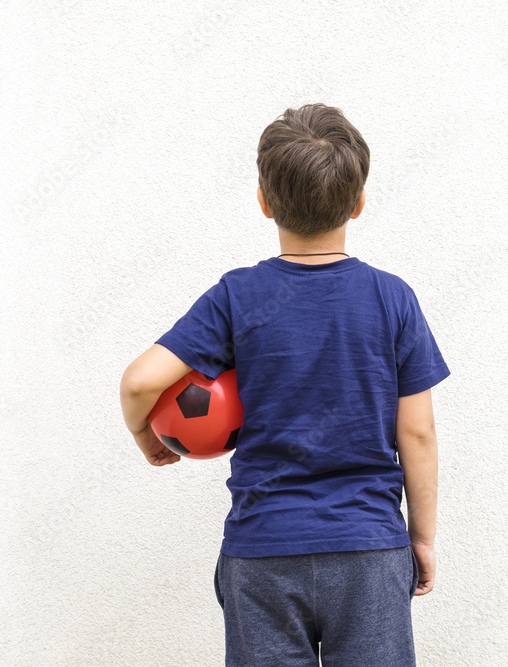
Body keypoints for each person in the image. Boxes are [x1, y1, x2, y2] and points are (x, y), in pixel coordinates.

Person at [119, 103, 450, 666]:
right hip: (368, 547)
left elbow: (138, 384)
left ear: (264, 202)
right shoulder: (393, 298)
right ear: (359, 202)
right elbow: (416, 435)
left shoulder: (236, 296)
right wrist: (421, 537)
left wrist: (147, 438)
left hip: (263, 551)